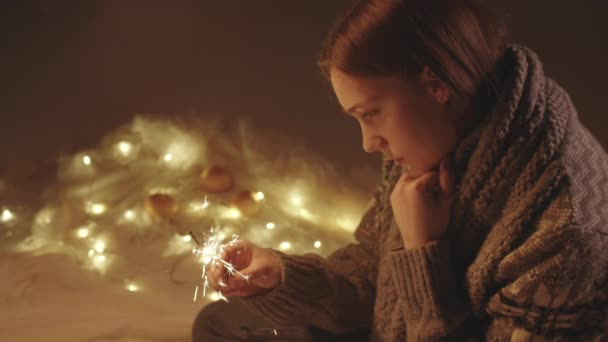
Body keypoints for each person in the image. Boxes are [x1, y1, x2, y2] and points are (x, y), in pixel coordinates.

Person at [193, 0, 608, 340]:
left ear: (435, 84)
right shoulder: (447, 133)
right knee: (222, 323)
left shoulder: (566, 229)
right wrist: (278, 277)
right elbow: (371, 277)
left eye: (371, 113)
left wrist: (422, 251)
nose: (368, 142)